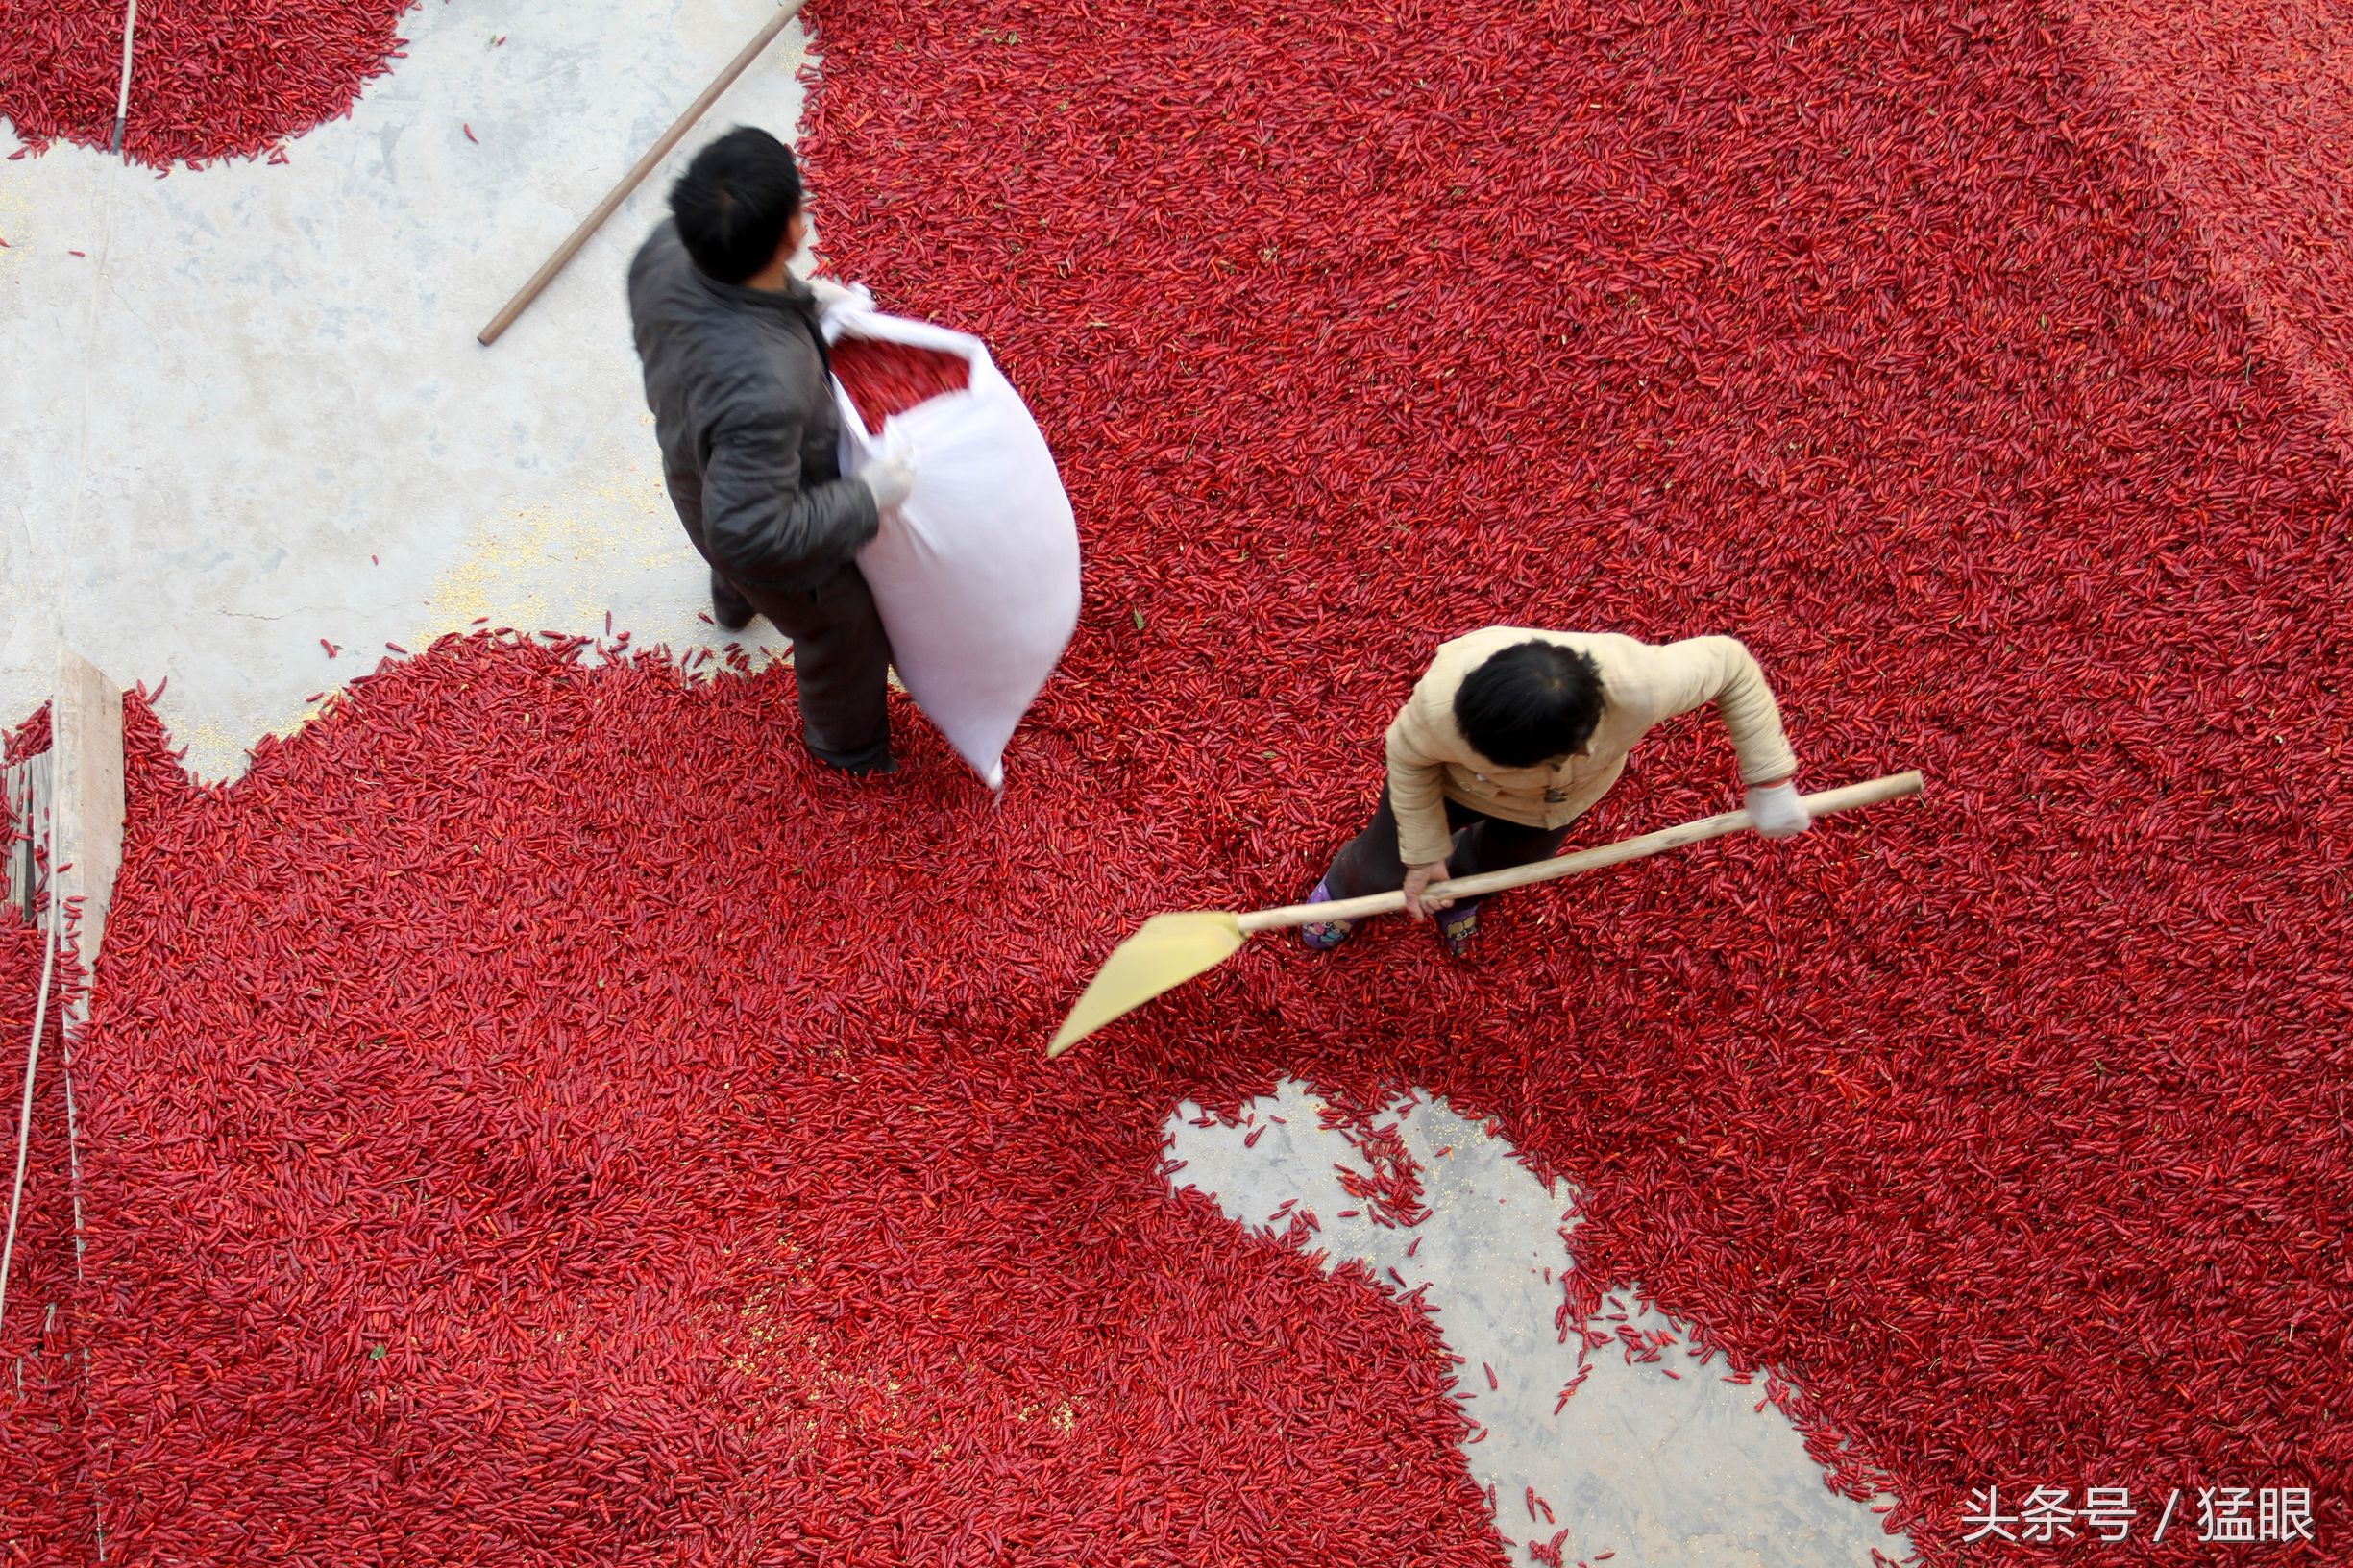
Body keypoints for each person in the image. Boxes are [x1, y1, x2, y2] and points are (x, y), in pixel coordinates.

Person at [626, 126, 914, 775]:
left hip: (688, 464)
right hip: (755, 515)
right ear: (790, 234)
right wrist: (867, 497)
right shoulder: (770, 382)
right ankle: (848, 752)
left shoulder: (662, 252)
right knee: (842, 628)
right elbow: (751, 531)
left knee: (717, 529)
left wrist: (804, 300)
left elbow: (708, 327)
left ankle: (733, 606)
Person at [1302, 627, 1812, 955]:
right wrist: (1423, 854)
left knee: (1502, 864)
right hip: (1450, 785)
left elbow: (1733, 666)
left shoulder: (1640, 684)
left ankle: (1462, 893)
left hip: (1561, 800)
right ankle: (1345, 895)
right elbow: (1410, 766)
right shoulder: (1438, 706)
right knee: (1378, 866)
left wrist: (1768, 779)